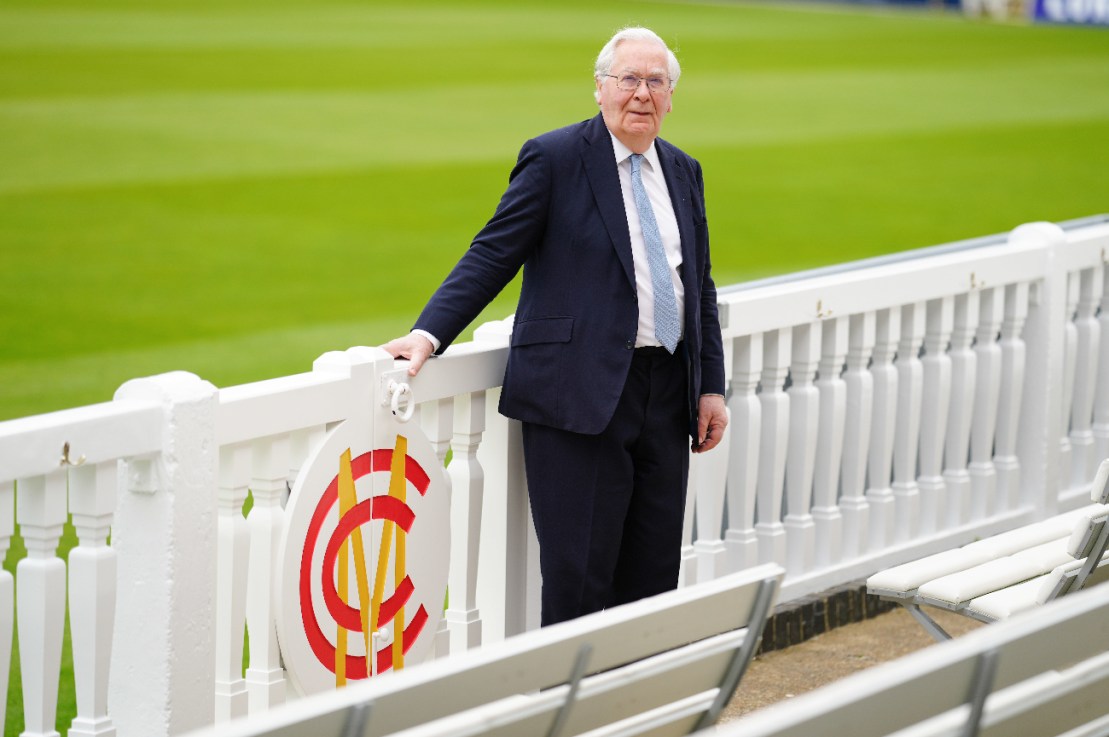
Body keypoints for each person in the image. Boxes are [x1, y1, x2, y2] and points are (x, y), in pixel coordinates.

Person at [382, 26, 727, 626]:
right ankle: (566, 712)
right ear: (599, 88)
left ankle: (630, 709)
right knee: (577, 582)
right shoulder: (556, 158)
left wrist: (710, 385)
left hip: (667, 397)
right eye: (629, 80)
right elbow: (493, 253)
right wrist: (429, 334)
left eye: (656, 81)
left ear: (671, 96)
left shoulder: (683, 170)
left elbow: (697, 284)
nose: (641, 94)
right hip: (579, 399)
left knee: (651, 579)